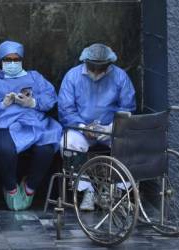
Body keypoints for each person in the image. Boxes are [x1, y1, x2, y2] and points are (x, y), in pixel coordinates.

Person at [0, 40, 62, 211]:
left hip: (34, 122)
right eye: (8, 59)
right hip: (4, 125)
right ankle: (11, 188)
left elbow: (51, 98)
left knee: (46, 149)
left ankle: (30, 188)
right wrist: (1, 104)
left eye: (16, 59)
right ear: (1, 61)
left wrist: (33, 103)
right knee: (5, 150)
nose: (12, 63)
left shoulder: (35, 77)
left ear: (22, 60)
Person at [58, 43, 136, 211]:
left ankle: (114, 191)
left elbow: (127, 108)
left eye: (101, 69)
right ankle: (87, 191)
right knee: (68, 144)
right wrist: (82, 126)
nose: (96, 72)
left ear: (109, 65)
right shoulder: (72, 76)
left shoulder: (120, 77)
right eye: (93, 68)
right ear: (86, 62)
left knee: (131, 146)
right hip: (81, 129)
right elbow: (66, 109)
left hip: (110, 129)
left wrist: (111, 128)